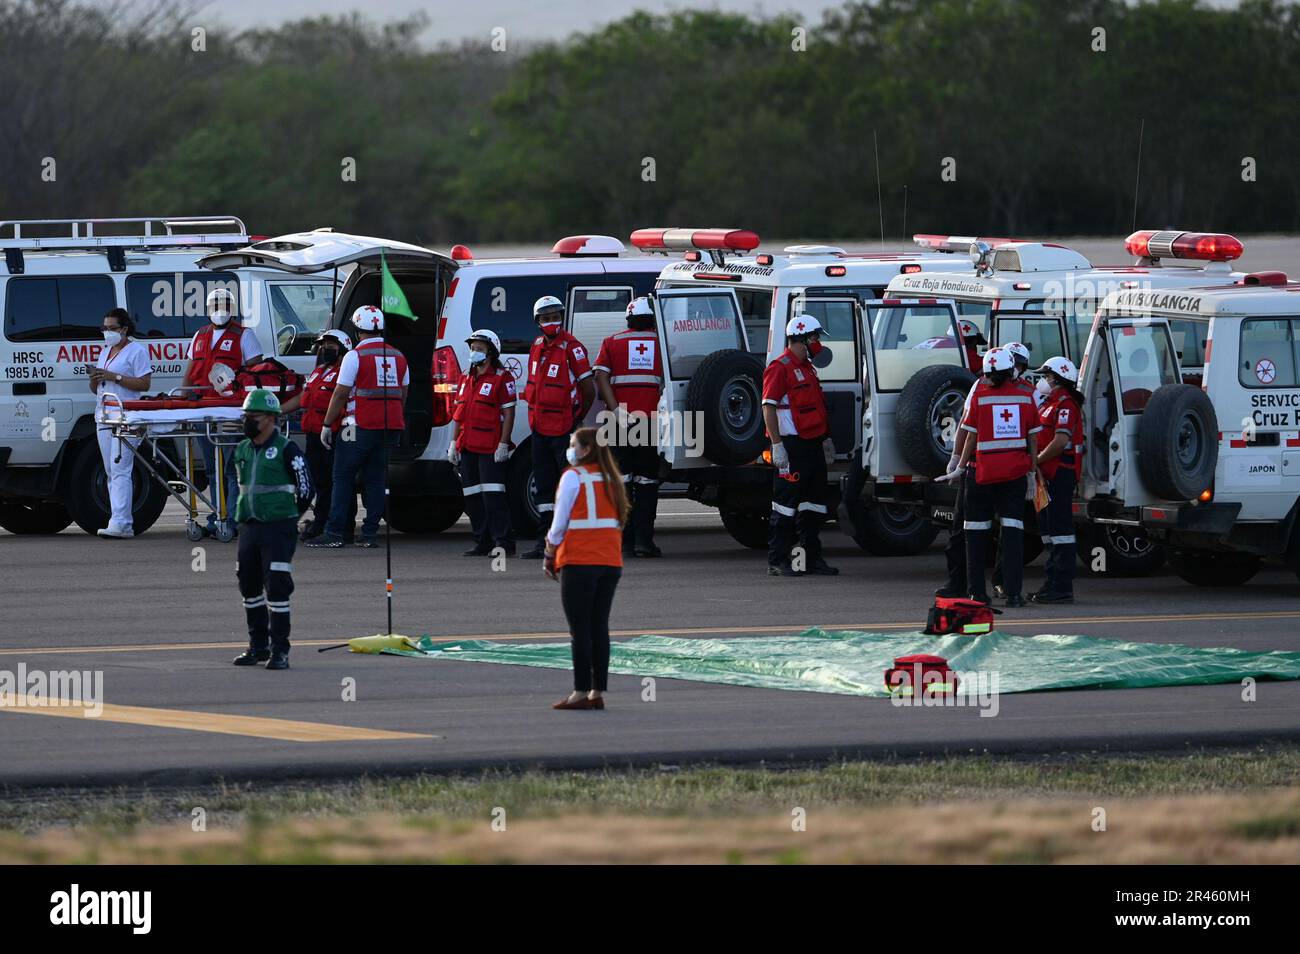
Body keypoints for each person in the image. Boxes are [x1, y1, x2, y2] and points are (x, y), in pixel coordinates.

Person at [543, 426, 629, 710]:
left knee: (579, 629)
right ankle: (596, 690)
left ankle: (580, 691)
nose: (570, 449)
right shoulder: (611, 478)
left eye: (573, 444)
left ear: (586, 449)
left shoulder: (572, 477)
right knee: (599, 626)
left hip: (579, 561)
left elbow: (559, 524)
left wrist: (549, 553)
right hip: (609, 562)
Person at [308, 306, 408, 549]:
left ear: (356, 330)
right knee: (375, 480)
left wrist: (326, 423)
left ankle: (334, 533)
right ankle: (370, 534)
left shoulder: (355, 356)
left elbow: (341, 393)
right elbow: (402, 393)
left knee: (342, 477)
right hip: (390, 427)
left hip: (357, 426)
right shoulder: (398, 356)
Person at [952, 347, 1042, 607]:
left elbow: (970, 434)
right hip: (1013, 477)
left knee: (975, 535)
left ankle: (976, 594)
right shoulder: (1025, 398)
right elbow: (1033, 438)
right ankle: (1013, 594)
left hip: (981, 475)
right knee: (1013, 534)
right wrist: (1031, 471)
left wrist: (958, 464)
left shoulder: (979, 397)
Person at [231, 389, 313, 670]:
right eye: (246, 416)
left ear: (269, 419)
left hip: (278, 528)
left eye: (252, 416)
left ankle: (280, 650)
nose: (247, 421)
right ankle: (258, 647)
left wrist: (289, 517)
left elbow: (305, 488)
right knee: (248, 586)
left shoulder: (287, 449)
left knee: (276, 587)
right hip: (249, 527)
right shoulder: (242, 449)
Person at [181, 287, 263, 538]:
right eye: (215, 304)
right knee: (211, 468)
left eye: (225, 304)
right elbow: (191, 368)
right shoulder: (200, 335)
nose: (220, 309)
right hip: (203, 410)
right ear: (207, 309)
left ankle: (233, 518)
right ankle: (218, 514)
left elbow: (256, 371)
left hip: (230, 411)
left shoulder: (244, 335)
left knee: (230, 467)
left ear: (232, 307)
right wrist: (183, 396)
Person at [761, 314, 838, 577]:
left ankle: (809, 559)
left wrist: (825, 438)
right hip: (791, 447)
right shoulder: (779, 367)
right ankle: (778, 561)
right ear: (803, 338)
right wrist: (777, 445)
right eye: (815, 337)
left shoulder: (807, 368)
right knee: (785, 506)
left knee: (814, 505)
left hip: (812, 444)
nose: (818, 343)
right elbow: (768, 408)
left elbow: (815, 407)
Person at [520, 295, 594, 559]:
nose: (551, 322)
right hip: (539, 428)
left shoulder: (572, 347)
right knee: (544, 488)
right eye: (546, 318)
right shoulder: (537, 345)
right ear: (537, 322)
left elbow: (588, 388)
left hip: (563, 429)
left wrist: (577, 419)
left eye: (555, 317)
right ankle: (545, 541)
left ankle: (572, 542)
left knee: (568, 487)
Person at [594, 295, 665, 557]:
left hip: (619, 420)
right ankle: (644, 543)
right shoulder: (663, 342)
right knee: (647, 482)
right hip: (651, 420)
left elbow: (601, 378)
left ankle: (623, 542)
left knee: (621, 480)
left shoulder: (612, 342)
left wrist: (616, 411)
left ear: (629, 318)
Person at [279, 330, 355, 542]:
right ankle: (321, 522)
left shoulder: (345, 373)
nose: (324, 350)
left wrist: (329, 425)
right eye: (323, 346)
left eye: (330, 346)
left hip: (334, 433)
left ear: (342, 348)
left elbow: (342, 399)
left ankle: (342, 526)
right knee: (319, 482)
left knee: (337, 481)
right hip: (313, 434)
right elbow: (303, 397)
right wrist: (276, 410)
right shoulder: (318, 371)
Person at [448, 329, 517, 556]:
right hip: (467, 445)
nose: (474, 352)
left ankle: (503, 542)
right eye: (472, 348)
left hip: (490, 446)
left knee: (493, 497)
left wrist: (503, 444)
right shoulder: (465, 378)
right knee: (472, 497)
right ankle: (482, 540)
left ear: (491, 352)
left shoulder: (502, 378)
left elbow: (509, 414)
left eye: (479, 348)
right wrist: (453, 444)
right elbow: (458, 414)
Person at [89, 308, 152, 538]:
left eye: (112, 328)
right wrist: (95, 378)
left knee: (121, 469)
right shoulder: (105, 352)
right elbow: (96, 387)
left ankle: (122, 523)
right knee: (110, 471)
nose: (107, 332)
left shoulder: (136, 351)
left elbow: (144, 384)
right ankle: (117, 519)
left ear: (124, 329)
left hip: (126, 416)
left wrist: (113, 376)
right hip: (104, 415)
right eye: (104, 328)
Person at [1030, 357, 1084, 604]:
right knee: (1048, 530)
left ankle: (1061, 586)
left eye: (1046, 375)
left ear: (1056, 378)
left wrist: (1036, 460)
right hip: (1045, 475)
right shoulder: (1048, 404)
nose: (1043, 380)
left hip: (1058, 473)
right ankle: (1051, 582)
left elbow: (1061, 441)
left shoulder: (1066, 405)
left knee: (1060, 530)